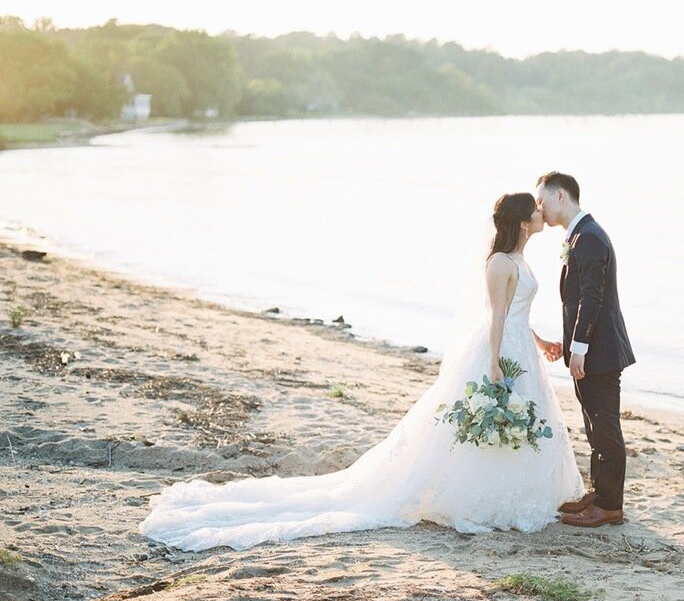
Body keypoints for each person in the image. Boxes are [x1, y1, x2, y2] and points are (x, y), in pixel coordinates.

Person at [140, 192, 584, 551]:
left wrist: (541, 341)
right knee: (489, 422)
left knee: (523, 423)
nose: (542, 213)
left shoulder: (521, 260)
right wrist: (492, 364)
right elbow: (495, 317)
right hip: (499, 351)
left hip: (521, 347)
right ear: (523, 220)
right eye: (536, 209)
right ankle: (484, 498)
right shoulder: (501, 263)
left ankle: (521, 493)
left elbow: (516, 314)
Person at [536, 172, 635, 528]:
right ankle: (599, 492)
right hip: (592, 349)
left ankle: (610, 506)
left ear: (560, 196)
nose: (539, 209)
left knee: (605, 426)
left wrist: (579, 347)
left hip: (601, 351)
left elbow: (592, 298)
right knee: (594, 425)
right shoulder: (579, 235)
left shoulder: (589, 237)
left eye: (541, 201)